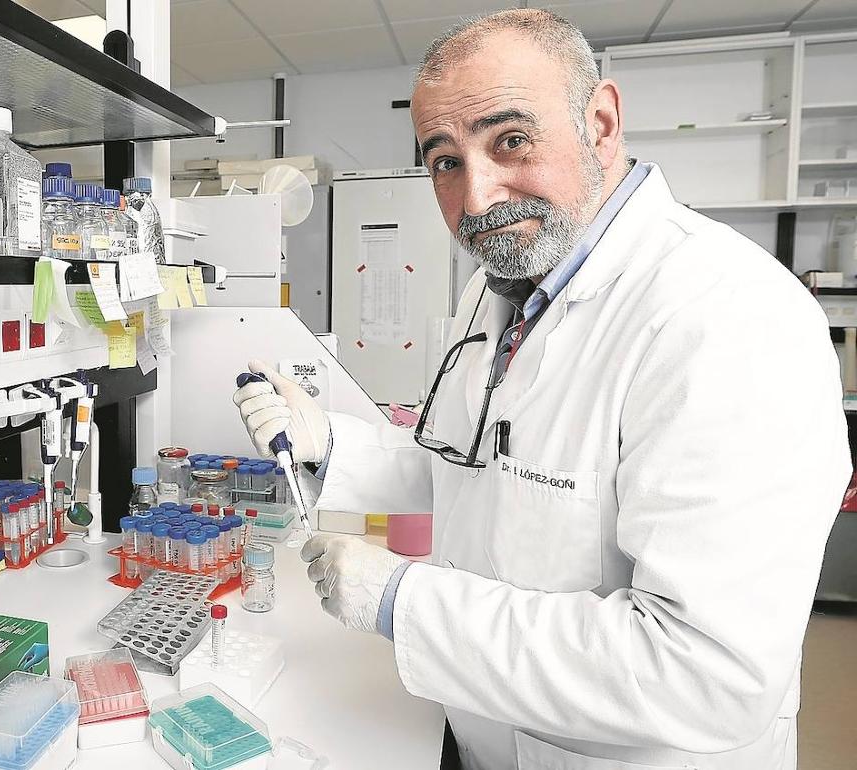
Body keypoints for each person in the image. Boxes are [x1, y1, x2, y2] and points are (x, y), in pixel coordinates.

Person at [233, 9, 851, 770]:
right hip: (479, 732)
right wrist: (333, 445)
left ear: (600, 122)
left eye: (511, 141)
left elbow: (705, 672)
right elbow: (476, 466)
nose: (479, 196)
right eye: (444, 162)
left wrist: (404, 602)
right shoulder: (503, 286)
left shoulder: (727, 317)